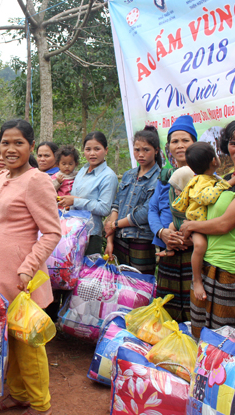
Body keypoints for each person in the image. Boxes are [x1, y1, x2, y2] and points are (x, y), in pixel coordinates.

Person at [0, 119, 61, 415]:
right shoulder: (0, 178)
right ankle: (19, 395)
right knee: (7, 338)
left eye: (18, 143)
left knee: (28, 342)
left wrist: (28, 268)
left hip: (22, 278)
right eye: (5, 143)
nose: (10, 149)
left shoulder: (37, 181)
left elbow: (52, 233)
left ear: (31, 146)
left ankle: (40, 405)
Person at [180, 119, 235, 338]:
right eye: (233, 143)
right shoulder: (228, 179)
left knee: (221, 337)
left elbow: (223, 224)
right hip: (204, 264)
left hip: (228, 269)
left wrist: (191, 225)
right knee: (198, 332)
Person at [170, 142, 235, 302]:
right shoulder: (201, 181)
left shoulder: (211, 178)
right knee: (200, 246)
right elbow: (206, 197)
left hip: (201, 222)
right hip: (196, 221)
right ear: (213, 161)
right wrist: (228, 184)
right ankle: (197, 281)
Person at [148, 115, 197, 321]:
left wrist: (187, 236)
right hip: (167, 246)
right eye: (175, 141)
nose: (180, 145)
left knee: (192, 302)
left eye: (185, 140)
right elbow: (152, 209)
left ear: (195, 143)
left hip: (192, 249)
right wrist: (162, 232)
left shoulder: (204, 176)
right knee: (168, 305)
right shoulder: (165, 175)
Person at [104, 126, 162, 274]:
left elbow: (144, 213)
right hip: (119, 238)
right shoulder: (128, 175)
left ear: (156, 150)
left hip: (141, 239)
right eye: (137, 150)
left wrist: (115, 224)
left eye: (146, 150)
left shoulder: (160, 178)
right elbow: (116, 204)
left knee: (139, 286)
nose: (140, 154)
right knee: (119, 285)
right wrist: (110, 239)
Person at [58, 131, 118, 255]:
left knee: (88, 271)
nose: (92, 153)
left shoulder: (108, 176)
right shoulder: (83, 170)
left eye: (97, 149)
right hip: (72, 231)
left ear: (106, 150)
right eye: (88, 149)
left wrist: (75, 201)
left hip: (91, 235)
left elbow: (105, 208)